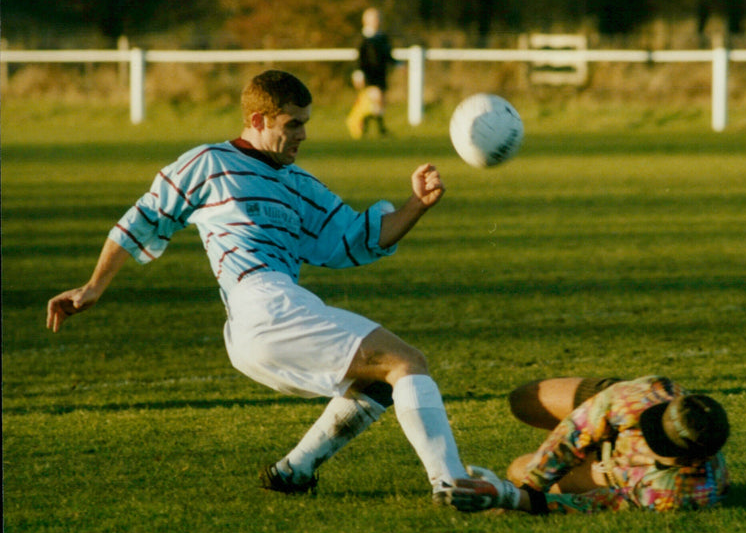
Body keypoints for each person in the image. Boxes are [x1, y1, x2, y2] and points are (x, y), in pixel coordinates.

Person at [46, 69, 469, 503]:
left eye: (306, 122)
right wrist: (95, 285)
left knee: (380, 379)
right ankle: (453, 483)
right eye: (294, 124)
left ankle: (294, 470)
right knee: (408, 362)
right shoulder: (209, 163)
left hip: (263, 319)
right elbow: (143, 218)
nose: (303, 134)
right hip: (263, 305)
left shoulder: (299, 185)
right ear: (259, 120)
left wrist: (416, 205)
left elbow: (356, 238)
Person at [443, 375, 730, 515]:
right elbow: (574, 431)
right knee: (523, 400)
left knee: (517, 469)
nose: (646, 439)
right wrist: (533, 485)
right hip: (608, 410)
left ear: (687, 461)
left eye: (657, 442)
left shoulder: (672, 493)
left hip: (614, 471)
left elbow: (595, 504)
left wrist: (512, 496)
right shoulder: (644, 396)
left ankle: (591, 463)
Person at [346, 7, 397, 139]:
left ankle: (368, 126)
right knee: (376, 99)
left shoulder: (382, 37)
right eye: (373, 18)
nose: (376, 20)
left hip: (381, 75)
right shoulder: (361, 38)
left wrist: (398, 64)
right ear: (365, 20)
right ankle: (368, 124)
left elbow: (387, 55)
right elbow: (357, 58)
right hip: (368, 75)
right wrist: (358, 73)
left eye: (378, 17)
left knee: (379, 104)